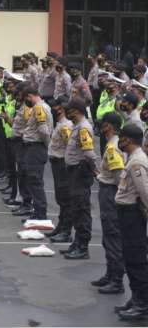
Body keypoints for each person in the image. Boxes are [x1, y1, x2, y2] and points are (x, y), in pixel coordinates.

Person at [113, 124, 148, 320]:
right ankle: (136, 298)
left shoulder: (136, 162)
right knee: (130, 258)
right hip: (127, 214)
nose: (120, 141)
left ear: (128, 140)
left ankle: (142, 304)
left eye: (122, 138)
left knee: (136, 260)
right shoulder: (133, 159)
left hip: (133, 215)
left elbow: (145, 192)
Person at [92, 112, 127, 294]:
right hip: (108, 189)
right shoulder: (114, 143)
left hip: (110, 193)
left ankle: (116, 280)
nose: (101, 127)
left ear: (110, 126)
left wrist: (100, 177)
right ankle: (110, 273)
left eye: (103, 124)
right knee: (108, 237)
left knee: (112, 236)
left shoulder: (113, 147)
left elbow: (119, 176)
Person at [62, 98, 99, 260]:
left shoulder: (83, 128)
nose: (67, 113)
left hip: (80, 171)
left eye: (69, 110)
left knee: (81, 208)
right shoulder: (77, 126)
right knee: (75, 208)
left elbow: (89, 152)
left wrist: (96, 171)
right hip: (74, 171)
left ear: (76, 111)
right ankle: (77, 242)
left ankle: (83, 246)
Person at [15, 86, 53, 220]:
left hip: (36, 148)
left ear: (30, 95)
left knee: (35, 182)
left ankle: (40, 214)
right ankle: (37, 212)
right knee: (33, 181)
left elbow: (43, 131)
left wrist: (48, 146)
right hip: (34, 148)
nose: (26, 101)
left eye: (26, 98)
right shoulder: (41, 107)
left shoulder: (38, 108)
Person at [45, 96, 73, 242]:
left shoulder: (66, 126)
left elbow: (70, 147)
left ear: (61, 108)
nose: (53, 109)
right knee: (60, 198)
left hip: (62, 165)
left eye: (55, 106)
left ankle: (66, 230)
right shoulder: (60, 123)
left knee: (65, 198)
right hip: (57, 165)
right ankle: (61, 227)